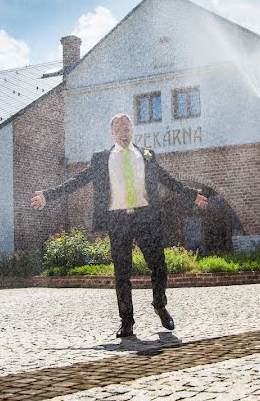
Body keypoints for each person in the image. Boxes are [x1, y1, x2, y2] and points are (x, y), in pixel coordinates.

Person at [31, 113, 207, 338]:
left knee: (159, 266)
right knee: (122, 273)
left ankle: (160, 306)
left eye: (127, 128)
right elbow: (78, 180)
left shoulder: (147, 156)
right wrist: (48, 195)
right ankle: (127, 321)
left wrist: (191, 194)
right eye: (119, 129)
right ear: (112, 133)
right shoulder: (101, 159)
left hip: (146, 217)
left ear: (132, 130)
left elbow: (167, 179)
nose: (124, 133)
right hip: (118, 220)